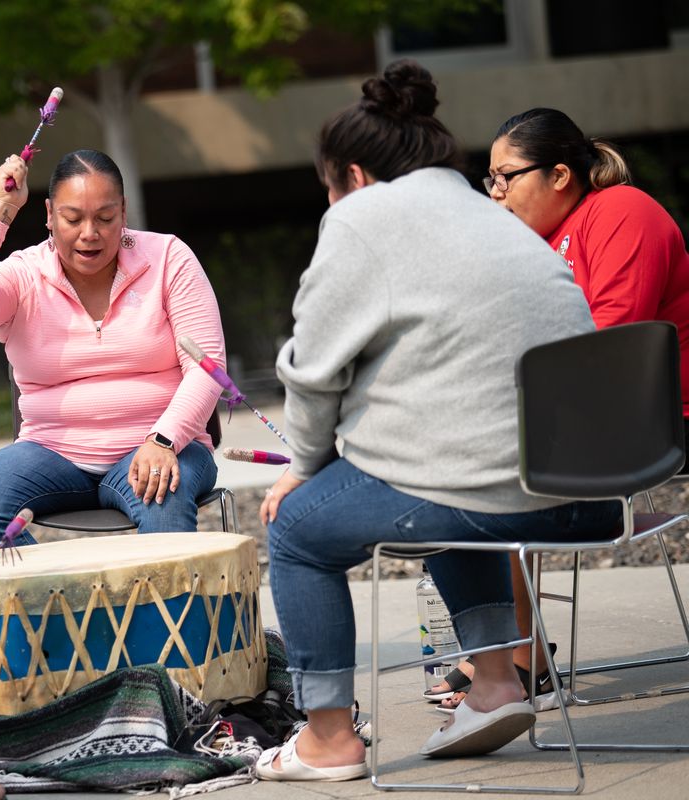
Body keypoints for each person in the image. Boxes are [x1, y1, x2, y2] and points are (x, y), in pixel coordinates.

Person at [254, 60, 623, 783]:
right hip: (591, 492)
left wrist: (302, 467)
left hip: (493, 491)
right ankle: (493, 684)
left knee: (294, 530)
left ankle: (327, 738)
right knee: (444, 479)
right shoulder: (491, 213)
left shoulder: (362, 217)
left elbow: (311, 367)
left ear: (353, 177)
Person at [426, 107, 689, 709]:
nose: (494, 193)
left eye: (504, 177)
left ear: (561, 174)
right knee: (435, 467)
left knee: (474, 475)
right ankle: (505, 653)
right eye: (488, 180)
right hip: (581, 416)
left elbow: (610, 342)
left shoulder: (622, 211)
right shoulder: (536, 240)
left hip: (656, 418)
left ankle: (516, 656)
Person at [0, 149, 225, 553]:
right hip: (52, 455)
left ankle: (166, 619)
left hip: (160, 445)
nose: (90, 232)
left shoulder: (169, 258)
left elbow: (207, 367)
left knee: (161, 496)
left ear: (123, 212)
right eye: (73, 219)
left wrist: (164, 440)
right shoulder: (24, 274)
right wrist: (0, 209)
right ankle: (56, 611)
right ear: (49, 214)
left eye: (105, 218)